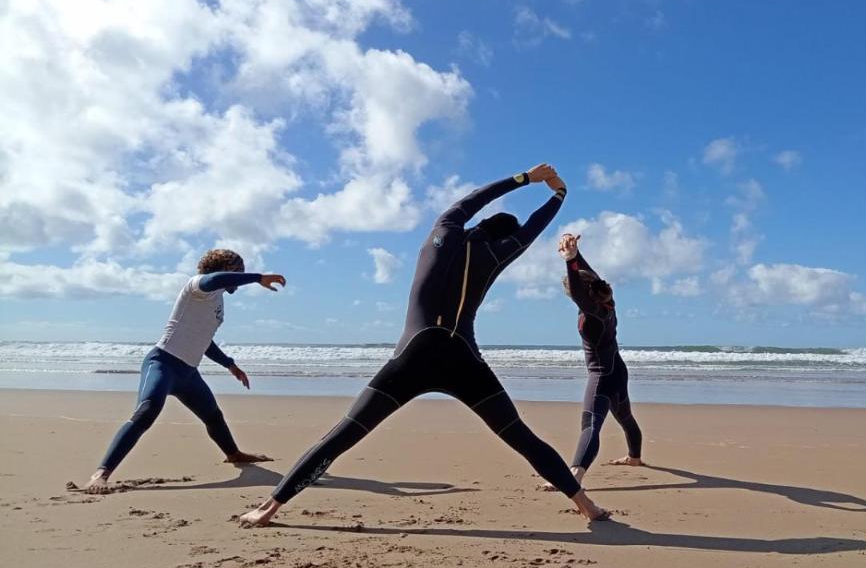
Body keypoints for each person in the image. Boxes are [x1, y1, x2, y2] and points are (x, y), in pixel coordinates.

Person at [238, 164, 609, 527]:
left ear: (478, 224)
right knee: (521, 436)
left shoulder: (443, 230)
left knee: (345, 432)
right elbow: (531, 229)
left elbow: (473, 199)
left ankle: (268, 507)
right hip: (462, 359)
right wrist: (559, 194)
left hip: (411, 357)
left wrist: (526, 178)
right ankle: (585, 504)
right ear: (501, 239)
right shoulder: (497, 254)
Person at [81, 250, 285, 493]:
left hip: (189, 374)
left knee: (213, 416)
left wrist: (229, 364)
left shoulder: (217, 301)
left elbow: (204, 340)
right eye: (236, 271)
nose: (240, 277)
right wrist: (257, 277)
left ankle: (234, 454)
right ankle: (101, 473)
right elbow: (214, 280)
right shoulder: (198, 286)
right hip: (163, 363)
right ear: (222, 270)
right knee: (148, 410)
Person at [542, 232, 644, 490]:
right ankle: (634, 458)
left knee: (591, 425)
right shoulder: (607, 302)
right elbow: (591, 280)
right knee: (626, 418)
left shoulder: (593, 312)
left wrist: (570, 261)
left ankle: (574, 475)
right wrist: (576, 254)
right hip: (618, 372)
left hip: (602, 377)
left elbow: (578, 289)